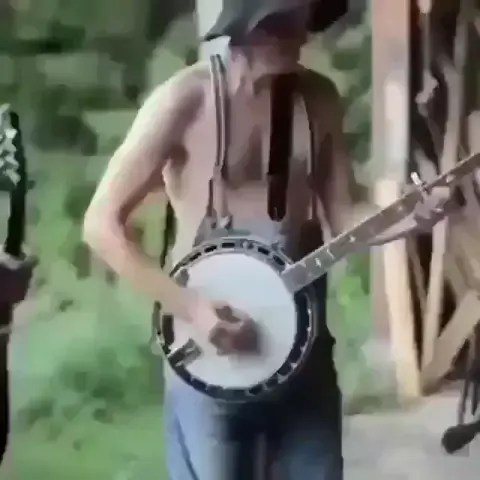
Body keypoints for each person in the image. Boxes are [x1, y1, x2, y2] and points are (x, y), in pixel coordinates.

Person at [83, 0, 454, 478]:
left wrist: (412, 218)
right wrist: (191, 307)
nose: (299, 35)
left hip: (303, 353)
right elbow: (100, 224)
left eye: (304, 20)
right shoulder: (184, 100)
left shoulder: (317, 99)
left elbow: (345, 215)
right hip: (210, 357)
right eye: (281, 22)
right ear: (245, 23)